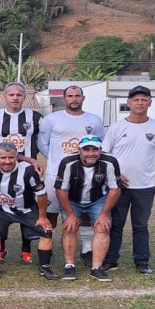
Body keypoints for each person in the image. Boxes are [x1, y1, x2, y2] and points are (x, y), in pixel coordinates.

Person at [101, 85, 155, 275]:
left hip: (145, 186)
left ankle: (141, 261)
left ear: (150, 102)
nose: (139, 102)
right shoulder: (117, 127)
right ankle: (110, 260)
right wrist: (115, 176)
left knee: (140, 226)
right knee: (115, 224)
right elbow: (105, 156)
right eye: (135, 99)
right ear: (128, 103)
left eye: (144, 99)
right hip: (118, 186)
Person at [38, 85, 104, 266]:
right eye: (70, 96)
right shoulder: (51, 119)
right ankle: (47, 247)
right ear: (63, 99)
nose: (74, 99)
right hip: (55, 175)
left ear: (83, 98)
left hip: (84, 175)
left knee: (82, 212)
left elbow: (98, 144)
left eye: (77, 96)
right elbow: (43, 144)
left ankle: (87, 249)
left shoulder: (94, 120)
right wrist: (57, 161)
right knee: (50, 213)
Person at [0, 82, 44, 264]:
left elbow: (42, 140)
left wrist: (31, 159)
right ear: (5, 96)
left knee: (26, 204)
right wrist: (0, 158)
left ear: (24, 97)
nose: (15, 98)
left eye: (19, 95)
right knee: (0, 204)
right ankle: (1, 247)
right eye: (12, 95)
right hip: (2, 168)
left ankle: (26, 249)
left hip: (27, 171)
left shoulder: (35, 117)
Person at [0, 143, 58, 280]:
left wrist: (42, 217)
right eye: (3, 158)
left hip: (27, 209)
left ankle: (45, 268)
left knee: (47, 231)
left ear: (17, 157)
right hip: (0, 211)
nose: (7, 161)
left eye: (11, 157)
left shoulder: (28, 171)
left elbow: (42, 194)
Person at [55, 136, 121, 282]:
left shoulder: (110, 162)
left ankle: (96, 268)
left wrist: (104, 214)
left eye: (94, 149)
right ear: (79, 150)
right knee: (69, 227)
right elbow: (60, 190)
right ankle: (69, 266)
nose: (90, 153)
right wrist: (70, 214)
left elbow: (115, 190)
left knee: (103, 227)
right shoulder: (67, 162)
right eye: (86, 149)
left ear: (100, 150)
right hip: (72, 199)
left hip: (97, 199)